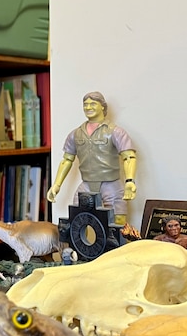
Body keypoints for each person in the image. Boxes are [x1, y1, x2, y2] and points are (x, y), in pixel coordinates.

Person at [46, 91, 140, 239]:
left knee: (118, 223)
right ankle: (85, 254)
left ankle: (118, 256)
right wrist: (56, 185)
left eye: (93, 104)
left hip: (111, 184)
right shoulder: (75, 134)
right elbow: (67, 160)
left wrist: (130, 181)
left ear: (103, 107)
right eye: (85, 104)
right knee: (79, 219)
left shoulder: (116, 132)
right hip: (86, 185)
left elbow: (128, 156)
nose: (88, 107)